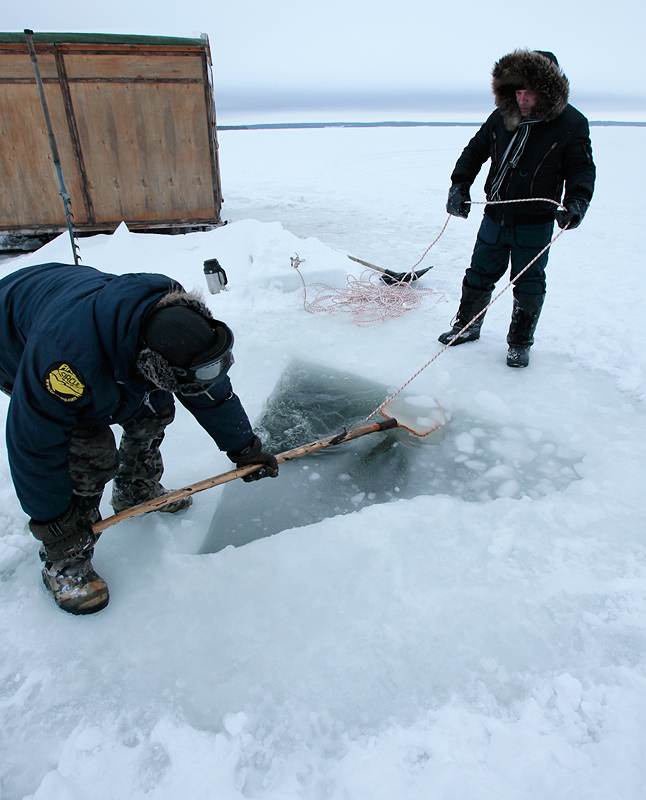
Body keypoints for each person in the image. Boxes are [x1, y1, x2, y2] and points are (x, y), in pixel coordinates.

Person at [0, 262, 279, 615]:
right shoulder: (61, 364)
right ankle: (66, 558)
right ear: (148, 363)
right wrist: (53, 524)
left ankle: (135, 489)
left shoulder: (175, 316)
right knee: (90, 451)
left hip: (78, 313)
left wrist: (244, 447)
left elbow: (206, 388)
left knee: (155, 407)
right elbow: (35, 443)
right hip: (11, 335)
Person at [439, 49, 596, 367]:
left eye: (530, 92)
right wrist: (459, 185)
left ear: (548, 90)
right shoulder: (502, 116)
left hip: (535, 222)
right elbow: (474, 151)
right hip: (495, 216)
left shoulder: (571, 123)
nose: (523, 99)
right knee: (479, 274)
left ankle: (520, 343)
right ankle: (466, 327)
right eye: (518, 91)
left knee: (529, 282)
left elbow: (581, 169)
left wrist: (577, 202)